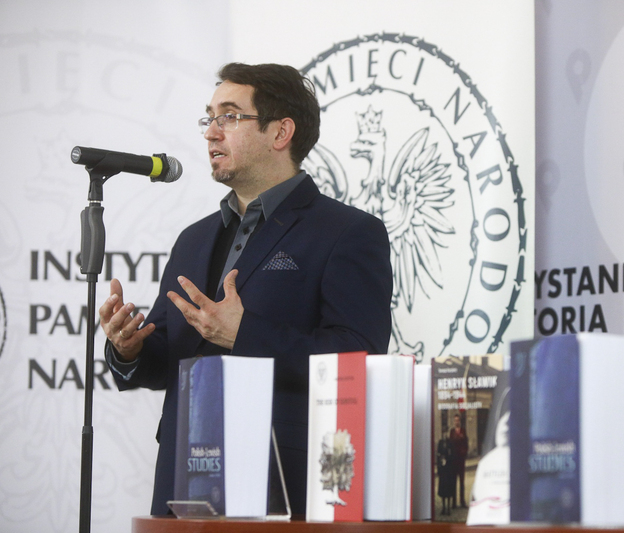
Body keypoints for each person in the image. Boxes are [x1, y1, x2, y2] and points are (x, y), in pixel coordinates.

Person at [100, 62, 393, 517]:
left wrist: (245, 335)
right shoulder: (192, 239)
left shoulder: (348, 233)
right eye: (209, 118)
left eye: (230, 117)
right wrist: (129, 349)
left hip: (285, 487)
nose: (211, 133)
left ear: (281, 133)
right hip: (184, 483)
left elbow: (360, 357)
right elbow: (165, 361)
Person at [449, 412, 468, 508]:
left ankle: (462, 501)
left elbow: (466, 444)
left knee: (462, 481)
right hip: (453, 461)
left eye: (458, 420)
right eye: (455, 420)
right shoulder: (452, 432)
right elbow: (450, 444)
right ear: (453, 421)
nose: (456, 422)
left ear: (460, 421)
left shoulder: (463, 431)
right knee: (453, 482)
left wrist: (464, 453)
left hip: (461, 460)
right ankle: (453, 503)